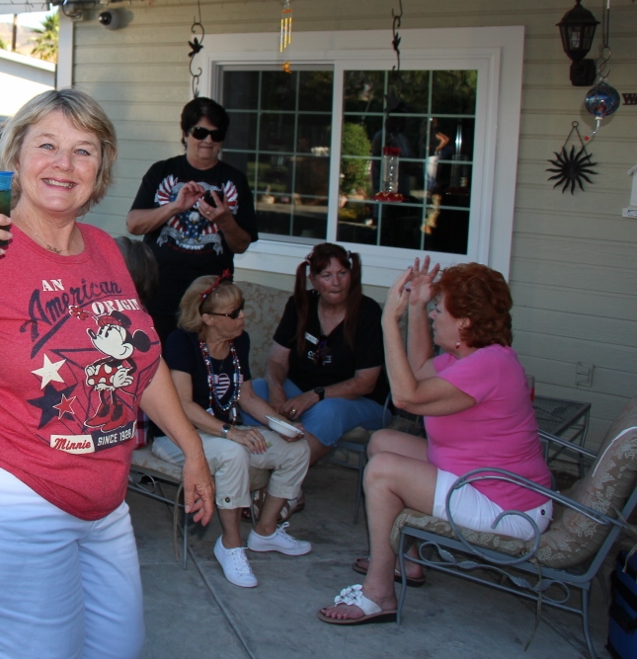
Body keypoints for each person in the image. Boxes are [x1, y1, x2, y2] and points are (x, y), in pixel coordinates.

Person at [0, 88, 215, 658]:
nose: (64, 164)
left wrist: (192, 451)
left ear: (101, 168)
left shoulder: (108, 251)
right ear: (15, 159)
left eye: (83, 151)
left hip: (105, 501)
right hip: (10, 497)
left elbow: (141, 361)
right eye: (47, 146)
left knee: (119, 648)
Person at [319, 258, 551, 625]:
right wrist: (415, 304)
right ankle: (407, 560)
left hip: (507, 506)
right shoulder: (473, 356)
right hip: (481, 479)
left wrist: (387, 322)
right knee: (383, 442)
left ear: (464, 322)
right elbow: (419, 370)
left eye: (438, 310)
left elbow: (406, 397)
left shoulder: (488, 365)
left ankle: (378, 592)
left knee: (382, 471)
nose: (433, 316)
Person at [153, 273, 312, 589]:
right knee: (235, 452)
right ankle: (230, 545)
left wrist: (282, 426)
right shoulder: (181, 342)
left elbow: (247, 397)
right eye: (234, 313)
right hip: (177, 437)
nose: (244, 317)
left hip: (222, 433)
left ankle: (265, 532)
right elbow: (183, 406)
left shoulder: (240, 340)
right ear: (208, 318)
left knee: (297, 448)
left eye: (242, 308)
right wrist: (229, 432)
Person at [126, 96, 257, 342]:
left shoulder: (235, 180)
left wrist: (225, 220)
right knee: (158, 369)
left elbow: (242, 245)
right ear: (186, 134)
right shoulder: (162, 171)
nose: (208, 140)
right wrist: (174, 207)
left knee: (202, 372)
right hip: (159, 293)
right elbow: (134, 224)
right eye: (200, 132)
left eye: (215, 135)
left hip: (210, 302)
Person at [254, 243, 386, 469]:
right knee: (255, 389)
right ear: (313, 279)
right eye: (326, 275)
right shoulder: (300, 303)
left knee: (328, 411)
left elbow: (365, 383)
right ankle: (257, 465)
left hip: (359, 401)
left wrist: (314, 396)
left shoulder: (368, 312)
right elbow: (277, 360)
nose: (336, 282)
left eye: (342, 273)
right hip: (301, 390)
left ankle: (285, 484)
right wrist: (277, 390)